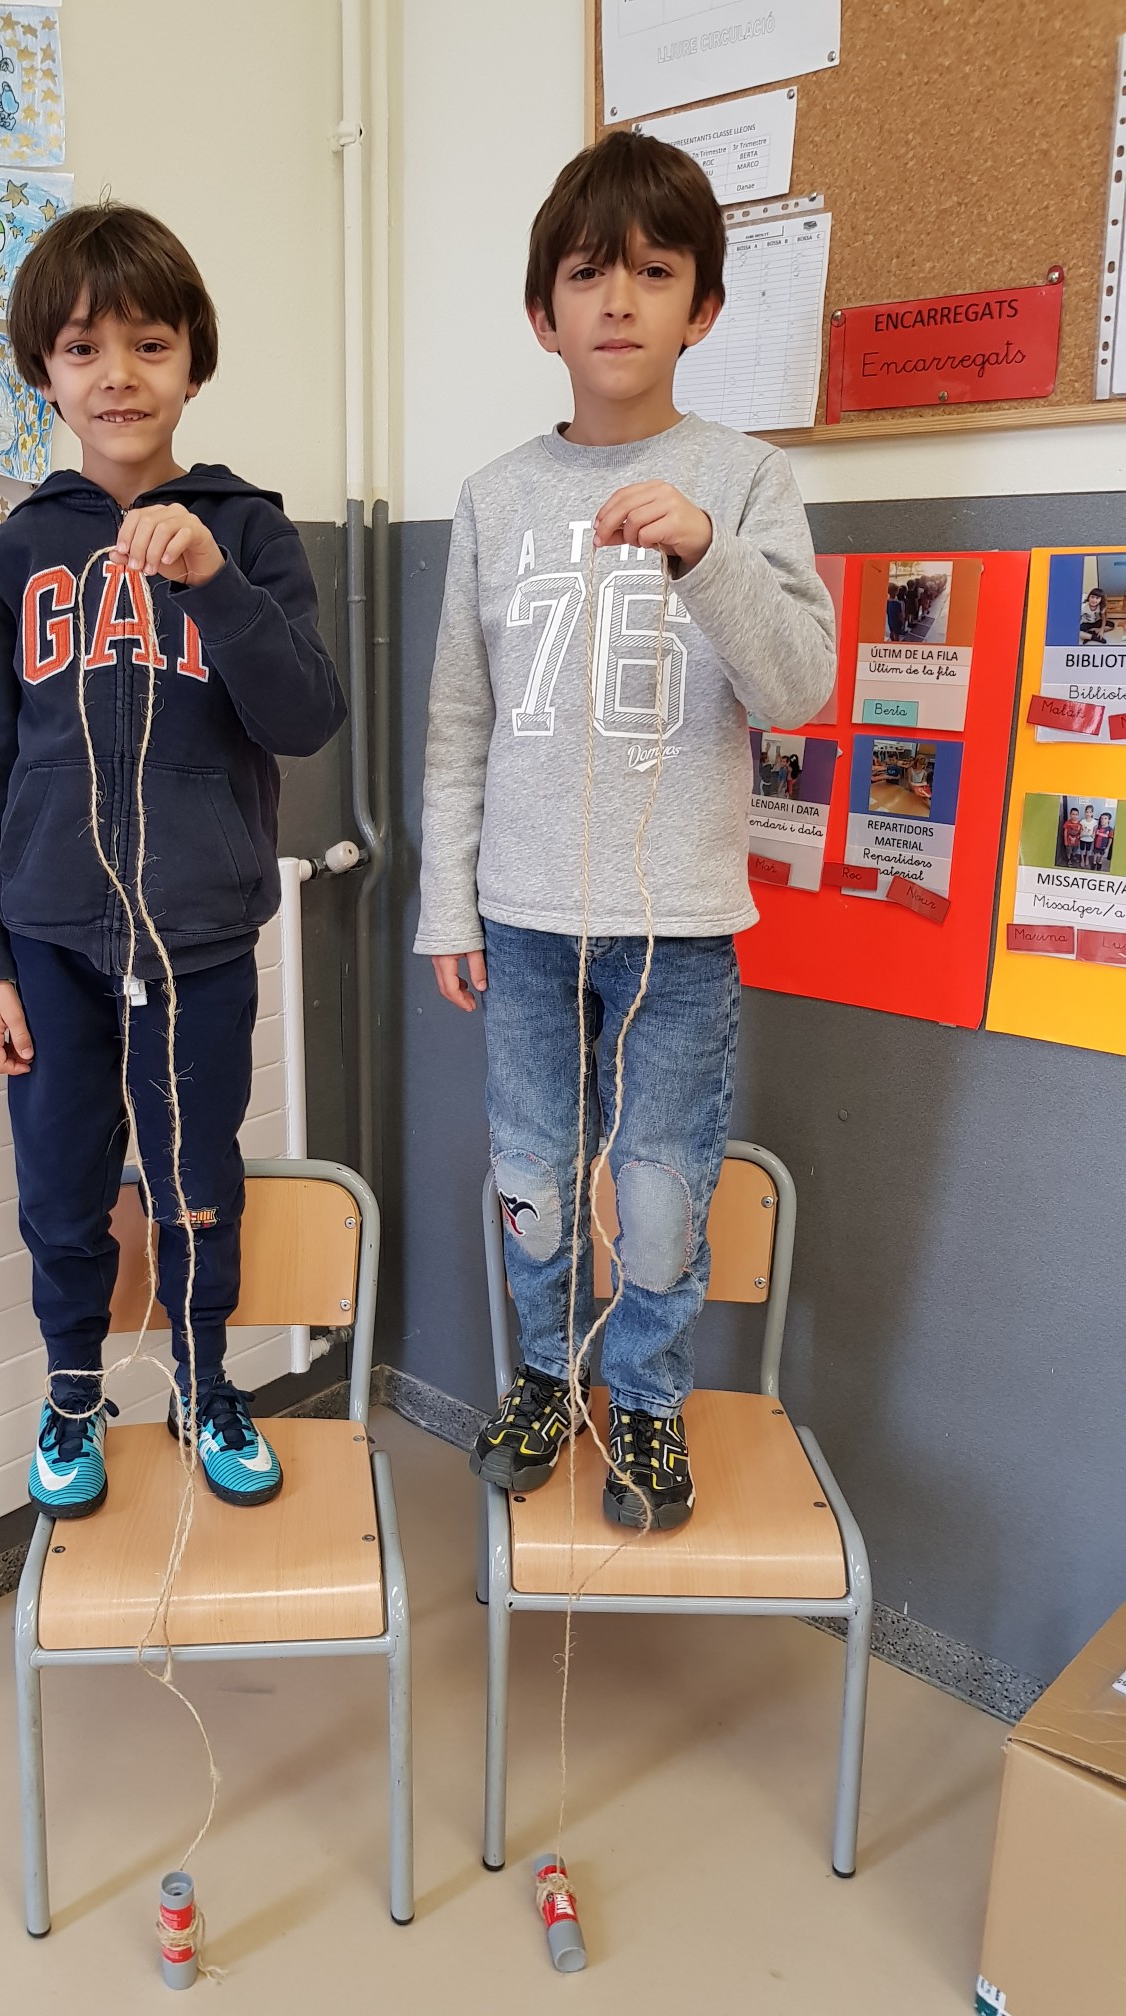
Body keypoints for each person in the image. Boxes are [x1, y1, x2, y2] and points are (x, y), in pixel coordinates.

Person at [417, 131, 834, 1531]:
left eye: (654, 273)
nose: (618, 300)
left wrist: (707, 550)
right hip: (525, 920)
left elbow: (798, 689)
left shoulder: (749, 481)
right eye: (588, 274)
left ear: (703, 308)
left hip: (684, 928)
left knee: (660, 1188)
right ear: (543, 313)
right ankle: (545, 1378)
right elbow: (460, 720)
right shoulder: (494, 497)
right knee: (534, 1176)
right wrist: (449, 905)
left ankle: (647, 1397)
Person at [0, 205, 345, 1518]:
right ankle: (73, 1394)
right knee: (62, 1190)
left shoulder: (252, 531)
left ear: (192, 362)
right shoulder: (13, 558)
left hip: (200, 941)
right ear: (45, 372)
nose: (117, 375)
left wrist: (218, 583)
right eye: (82, 348)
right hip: (49, 943)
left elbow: (305, 718)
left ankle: (208, 1387)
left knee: (195, 1187)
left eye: (149, 345)